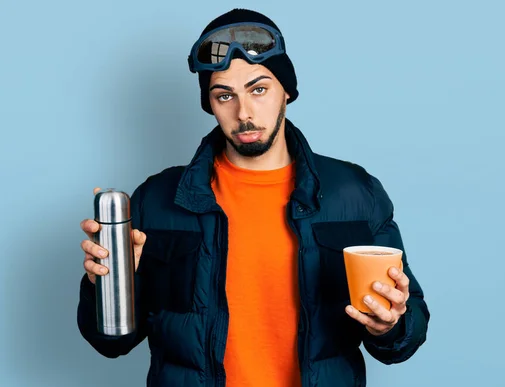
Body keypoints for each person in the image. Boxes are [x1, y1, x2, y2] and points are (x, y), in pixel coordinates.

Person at [77, 8, 430, 387]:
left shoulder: (356, 192)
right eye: (224, 95)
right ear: (209, 103)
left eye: (258, 89)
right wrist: (105, 286)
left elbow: (405, 337)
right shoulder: (157, 200)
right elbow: (112, 343)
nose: (243, 112)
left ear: (286, 92)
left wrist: (390, 324)